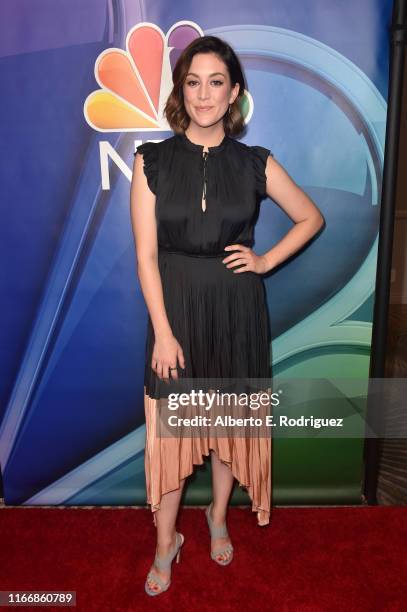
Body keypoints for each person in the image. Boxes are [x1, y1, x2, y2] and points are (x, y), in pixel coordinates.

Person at [130, 35, 324, 596]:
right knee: (172, 437)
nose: (203, 94)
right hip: (178, 316)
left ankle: (217, 515)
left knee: (226, 428)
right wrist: (163, 333)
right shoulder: (152, 160)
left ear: (234, 92)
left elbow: (310, 218)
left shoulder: (255, 163)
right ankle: (166, 541)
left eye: (216, 82)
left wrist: (265, 260)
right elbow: (145, 255)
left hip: (237, 310)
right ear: (180, 91)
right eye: (193, 82)